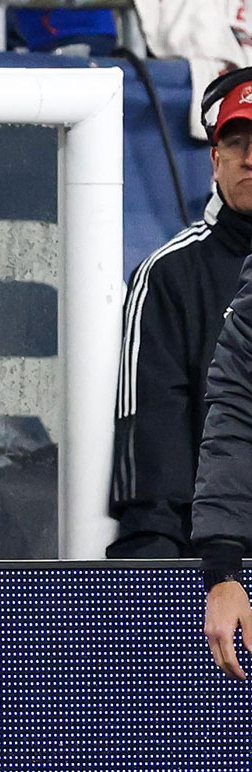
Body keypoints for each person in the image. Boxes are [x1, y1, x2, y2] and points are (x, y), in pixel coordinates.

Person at [112, 66, 252, 559]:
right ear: (215, 160)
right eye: (237, 142)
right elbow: (154, 456)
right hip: (215, 568)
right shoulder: (169, 275)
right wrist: (153, 581)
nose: (251, 158)